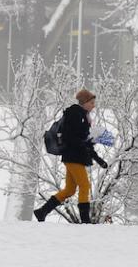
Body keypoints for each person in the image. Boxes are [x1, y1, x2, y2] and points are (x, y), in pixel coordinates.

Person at [33, 88, 108, 224]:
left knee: (69, 189)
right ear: (84, 102)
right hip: (73, 156)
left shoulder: (84, 117)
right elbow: (71, 137)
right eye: (91, 103)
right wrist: (83, 144)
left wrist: (99, 160)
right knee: (85, 185)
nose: (93, 105)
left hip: (75, 157)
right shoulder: (75, 114)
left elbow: (86, 141)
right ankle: (85, 221)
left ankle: (42, 211)